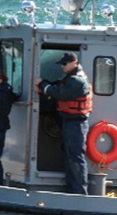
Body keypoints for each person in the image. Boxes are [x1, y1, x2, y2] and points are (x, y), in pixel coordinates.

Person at [34, 52, 92, 194]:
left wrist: (41, 84)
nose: (62, 66)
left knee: (76, 157)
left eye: (64, 64)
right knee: (70, 155)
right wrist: (44, 87)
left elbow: (60, 93)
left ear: (74, 63)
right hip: (70, 122)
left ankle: (79, 191)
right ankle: (72, 187)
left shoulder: (77, 81)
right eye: (61, 63)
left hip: (76, 124)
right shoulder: (70, 78)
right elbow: (58, 87)